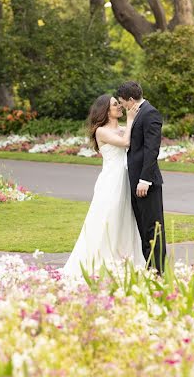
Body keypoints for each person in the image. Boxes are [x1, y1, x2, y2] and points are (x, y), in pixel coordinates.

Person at [63, 94, 145, 277]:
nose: (119, 107)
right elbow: (125, 142)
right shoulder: (101, 131)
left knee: (126, 219)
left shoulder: (123, 128)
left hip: (126, 178)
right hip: (111, 181)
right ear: (105, 111)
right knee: (109, 218)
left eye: (118, 103)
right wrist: (131, 119)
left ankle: (126, 261)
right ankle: (102, 262)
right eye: (115, 104)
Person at [116, 80, 166, 273]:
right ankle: (150, 268)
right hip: (136, 181)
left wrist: (145, 179)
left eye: (122, 102)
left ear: (130, 99)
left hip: (146, 183)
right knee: (144, 228)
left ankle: (158, 271)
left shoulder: (150, 113)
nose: (122, 106)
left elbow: (152, 150)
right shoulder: (137, 114)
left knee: (153, 228)